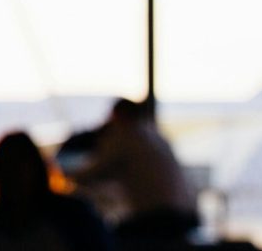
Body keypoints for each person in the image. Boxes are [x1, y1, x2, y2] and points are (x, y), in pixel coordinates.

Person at [69, 97, 199, 240]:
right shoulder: (154, 134)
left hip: (161, 219)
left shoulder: (125, 137)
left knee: (102, 239)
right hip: (188, 217)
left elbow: (89, 174)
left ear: (117, 116)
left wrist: (64, 175)